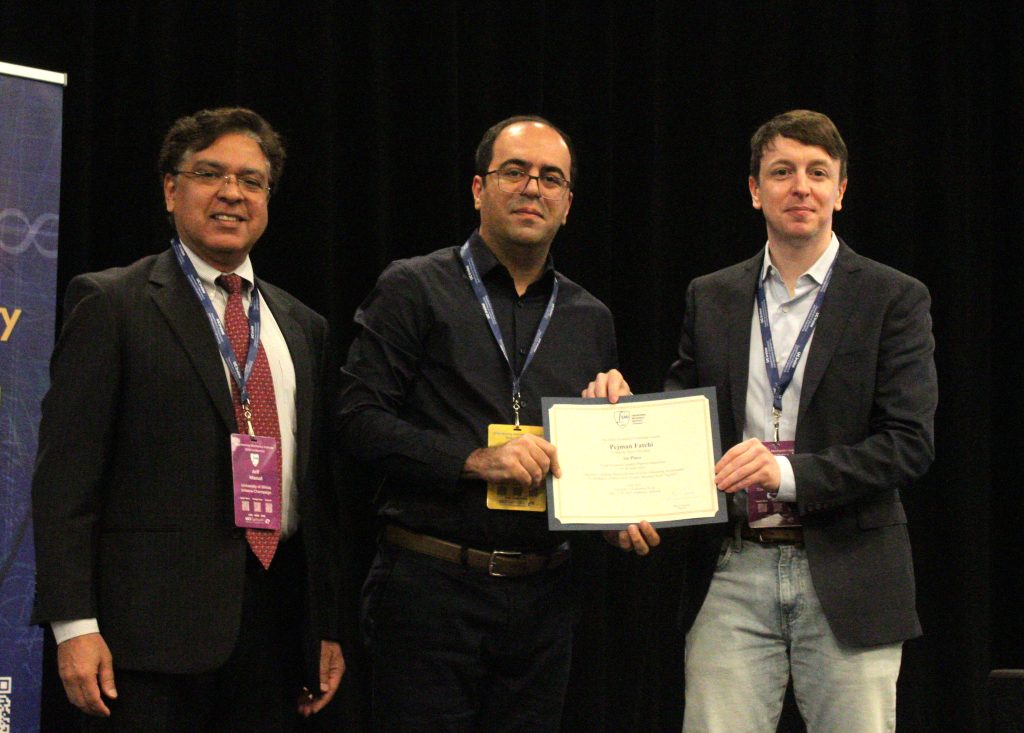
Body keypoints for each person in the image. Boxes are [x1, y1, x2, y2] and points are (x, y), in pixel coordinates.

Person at [336, 115, 656, 732]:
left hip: (544, 599)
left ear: (568, 204)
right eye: (515, 172)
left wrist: (614, 512)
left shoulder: (589, 317)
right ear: (479, 189)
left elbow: (584, 463)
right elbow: (357, 422)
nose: (533, 188)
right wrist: (474, 461)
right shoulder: (414, 287)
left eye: (551, 178)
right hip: (431, 591)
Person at [31, 107, 344, 731]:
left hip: (275, 635)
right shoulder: (111, 303)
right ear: (171, 190)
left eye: (252, 181)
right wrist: (73, 625)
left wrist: (324, 624)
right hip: (144, 643)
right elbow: (65, 481)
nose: (232, 193)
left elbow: (319, 493)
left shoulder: (303, 325)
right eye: (209, 174)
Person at [657, 109, 937, 731]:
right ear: (755, 190)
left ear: (841, 189)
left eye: (817, 172)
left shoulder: (893, 297)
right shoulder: (712, 295)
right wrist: (625, 425)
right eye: (782, 172)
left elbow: (908, 444)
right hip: (733, 569)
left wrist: (785, 476)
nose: (800, 187)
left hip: (850, 571)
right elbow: (684, 419)